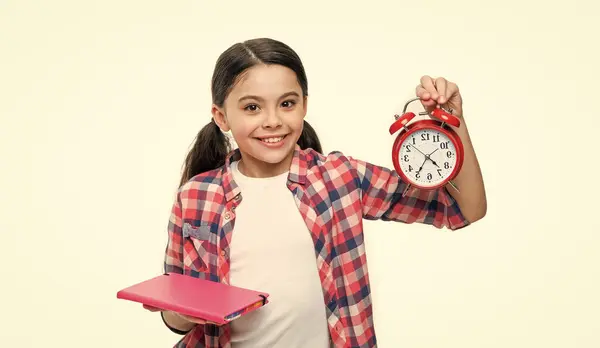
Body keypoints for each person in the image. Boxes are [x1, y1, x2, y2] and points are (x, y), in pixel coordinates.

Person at [144, 37, 487, 348]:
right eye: (252, 107)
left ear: (305, 105)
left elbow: (464, 209)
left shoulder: (340, 179)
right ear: (222, 116)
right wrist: (187, 311)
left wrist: (454, 121)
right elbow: (174, 317)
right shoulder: (195, 197)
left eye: (287, 103)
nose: (272, 120)